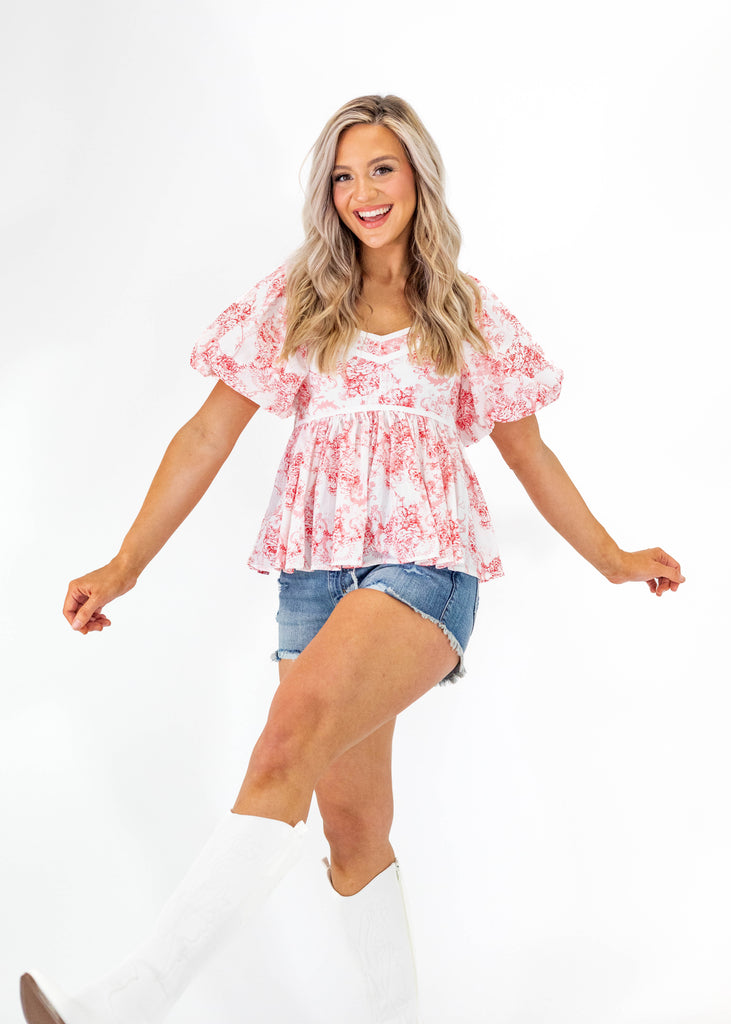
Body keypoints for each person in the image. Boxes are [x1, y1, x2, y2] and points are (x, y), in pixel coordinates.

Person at [20, 94, 684, 1024]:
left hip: (424, 567)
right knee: (352, 827)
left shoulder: (465, 312)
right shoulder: (299, 299)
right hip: (313, 577)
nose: (362, 191)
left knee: (283, 740)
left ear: (417, 177)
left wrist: (610, 556)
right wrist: (126, 562)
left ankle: (122, 1004)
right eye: (343, 174)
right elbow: (208, 434)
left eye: (381, 168)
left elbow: (527, 453)